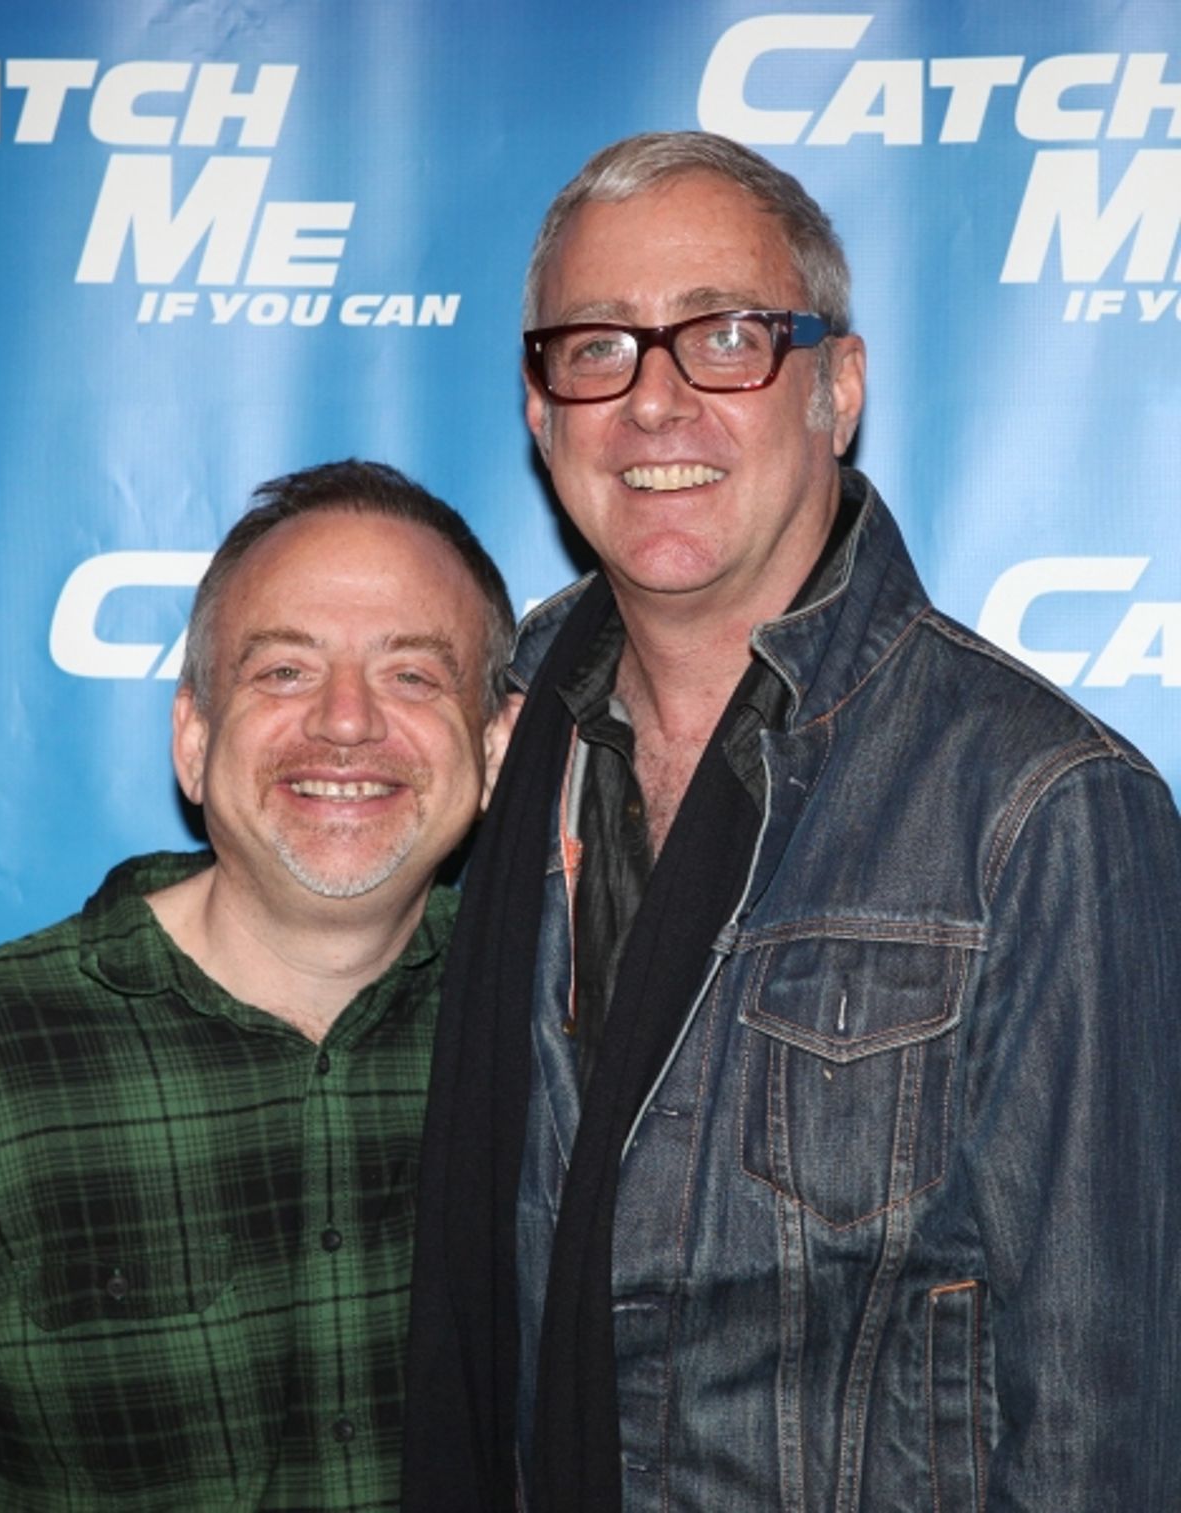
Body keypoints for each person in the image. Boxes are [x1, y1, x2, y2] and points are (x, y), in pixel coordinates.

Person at [402, 133, 1181, 1511]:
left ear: (839, 387)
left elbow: (1096, 1425)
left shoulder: (1043, 806)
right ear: (540, 409)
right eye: (599, 348)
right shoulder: (476, 740)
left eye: (727, 338)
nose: (655, 404)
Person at [0, 458, 515, 1509]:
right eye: (283, 672)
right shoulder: (0, 1057)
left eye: (414, 674)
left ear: (494, 749)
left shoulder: (571, 1033)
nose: (349, 722)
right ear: (192, 738)